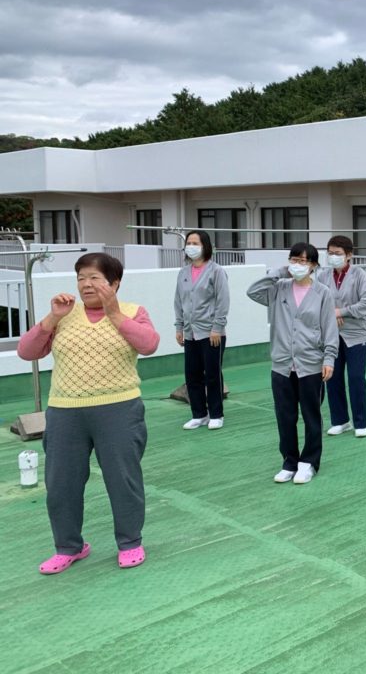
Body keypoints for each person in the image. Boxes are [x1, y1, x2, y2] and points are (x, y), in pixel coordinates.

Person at [18, 253, 159, 574]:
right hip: (65, 412)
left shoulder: (132, 312)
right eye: (81, 278)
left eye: (95, 278)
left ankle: (130, 542)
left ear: (114, 283)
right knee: (61, 483)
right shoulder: (65, 315)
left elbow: (149, 344)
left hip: (119, 409)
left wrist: (114, 314)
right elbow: (27, 351)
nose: (86, 284)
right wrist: (52, 318)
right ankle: (69, 547)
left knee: (123, 479)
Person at [247, 243, 337, 484]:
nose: (297, 265)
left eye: (303, 261)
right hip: (282, 364)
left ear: (314, 265)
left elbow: (330, 328)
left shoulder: (322, 293)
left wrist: (329, 358)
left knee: (311, 415)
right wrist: (280, 271)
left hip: (311, 363)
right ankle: (289, 461)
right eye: (293, 260)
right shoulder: (279, 288)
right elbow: (253, 291)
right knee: (285, 416)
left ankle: (309, 462)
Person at [316, 235, 366, 438]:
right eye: (330, 253)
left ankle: (360, 422)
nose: (333, 257)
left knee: (356, 378)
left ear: (349, 255)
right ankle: (340, 420)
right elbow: (317, 300)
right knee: (332, 378)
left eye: (338, 253)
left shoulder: (359, 274)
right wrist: (331, 313)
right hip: (331, 334)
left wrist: (341, 312)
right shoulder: (323, 276)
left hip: (356, 334)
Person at [173, 229, 230, 430]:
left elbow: (223, 301)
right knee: (192, 375)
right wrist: (179, 327)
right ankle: (199, 414)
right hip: (190, 333)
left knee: (212, 374)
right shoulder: (183, 272)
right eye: (189, 243)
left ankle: (216, 414)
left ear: (205, 246)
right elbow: (178, 301)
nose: (191, 247)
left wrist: (217, 328)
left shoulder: (216, 271)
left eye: (195, 243)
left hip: (211, 332)